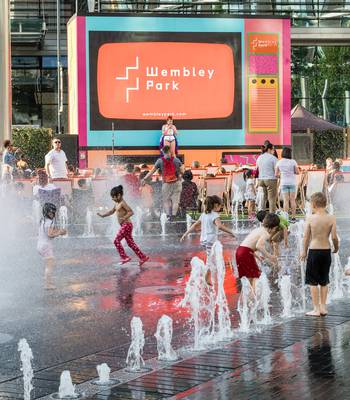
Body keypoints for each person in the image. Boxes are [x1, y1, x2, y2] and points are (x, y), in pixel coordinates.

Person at [180, 195, 235, 284]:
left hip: (203, 241)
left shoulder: (204, 214)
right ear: (215, 205)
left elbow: (195, 225)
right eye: (220, 205)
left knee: (211, 258)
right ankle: (206, 278)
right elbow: (220, 226)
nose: (221, 207)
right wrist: (231, 232)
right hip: (211, 240)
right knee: (211, 259)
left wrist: (185, 234)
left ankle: (208, 278)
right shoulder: (215, 215)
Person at [300, 192, 338, 317]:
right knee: (324, 280)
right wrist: (336, 248)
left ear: (314, 204)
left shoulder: (310, 218)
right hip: (326, 251)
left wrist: (304, 251)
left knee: (313, 282)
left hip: (314, 251)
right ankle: (323, 307)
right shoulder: (331, 217)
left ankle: (316, 309)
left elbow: (306, 237)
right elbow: (334, 237)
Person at [97, 185, 149, 266]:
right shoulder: (117, 204)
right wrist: (103, 215)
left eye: (114, 197)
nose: (112, 199)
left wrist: (124, 217)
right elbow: (111, 211)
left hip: (127, 225)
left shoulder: (122, 203)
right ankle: (143, 257)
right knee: (131, 243)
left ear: (119, 195)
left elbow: (131, 212)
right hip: (125, 225)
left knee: (116, 241)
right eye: (112, 197)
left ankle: (124, 257)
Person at [235, 213, 279, 289]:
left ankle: (247, 296)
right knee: (254, 277)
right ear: (274, 227)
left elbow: (249, 245)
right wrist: (270, 256)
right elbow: (258, 246)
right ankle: (252, 297)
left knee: (250, 277)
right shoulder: (266, 233)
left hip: (240, 251)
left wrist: (257, 256)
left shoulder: (258, 229)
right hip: (246, 253)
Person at [141, 146, 184, 220]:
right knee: (175, 201)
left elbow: (152, 172)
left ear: (163, 152)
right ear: (170, 151)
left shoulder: (160, 161)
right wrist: (179, 175)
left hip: (166, 184)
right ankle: (173, 217)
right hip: (177, 182)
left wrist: (144, 179)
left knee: (166, 200)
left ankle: (167, 216)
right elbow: (182, 171)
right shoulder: (176, 160)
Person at [37, 203, 66, 289]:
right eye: (51, 213)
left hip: (40, 245)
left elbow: (48, 231)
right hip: (46, 246)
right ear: (47, 212)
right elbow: (50, 234)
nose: (53, 214)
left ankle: (48, 281)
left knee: (48, 265)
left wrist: (59, 231)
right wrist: (60, 233)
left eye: (53, 212)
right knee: (49, 266)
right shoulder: (50, 222)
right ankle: (48, 285)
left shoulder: (42, 220)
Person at [275, 147, 299, 222]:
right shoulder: (293, 162)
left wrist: (282, 175)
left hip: (283, 183)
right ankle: (293, 217)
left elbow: (276, 174)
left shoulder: (279, 162)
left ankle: (286, 217)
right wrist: (292, 172)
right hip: (292, 183)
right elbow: (297, 172)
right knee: (292, 200)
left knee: (285, 200)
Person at [256, 142, 278, 212]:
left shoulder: (259, 157)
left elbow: (257, 168)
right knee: (272, 199)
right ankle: (272, 216)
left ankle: (261, 215)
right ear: (269, 149)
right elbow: (276, 170)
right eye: (273, 149)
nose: (273, 151)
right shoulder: (273, 158)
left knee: (263, 199)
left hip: (261, 180)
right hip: (271, 180)